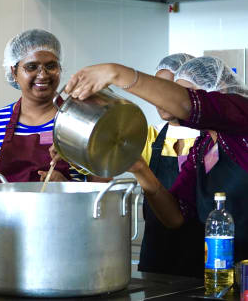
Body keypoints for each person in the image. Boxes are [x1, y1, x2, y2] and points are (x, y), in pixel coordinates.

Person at [61, 56, 248, 268]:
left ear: (220, 90)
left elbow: (187, 105)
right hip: (221, 270)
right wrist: (141, 170)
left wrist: (116, 72)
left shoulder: (242, 115)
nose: (169, 106)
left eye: (185, 93)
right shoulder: (203, 147)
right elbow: (175, 216)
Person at [0, 29, 106, 183]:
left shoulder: (82, 121)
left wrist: (66, 187)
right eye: (31, 67)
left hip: (68, 207)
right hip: (6, 208)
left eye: (51, 66)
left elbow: (103, 189)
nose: (42, 74)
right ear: (14, 72)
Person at [139, 53, 205, 278]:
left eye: (166, 90)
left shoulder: (212, 138)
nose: (159, 98)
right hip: (156, 252)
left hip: (203, 253)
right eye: (155, 89)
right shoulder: (149, 136)